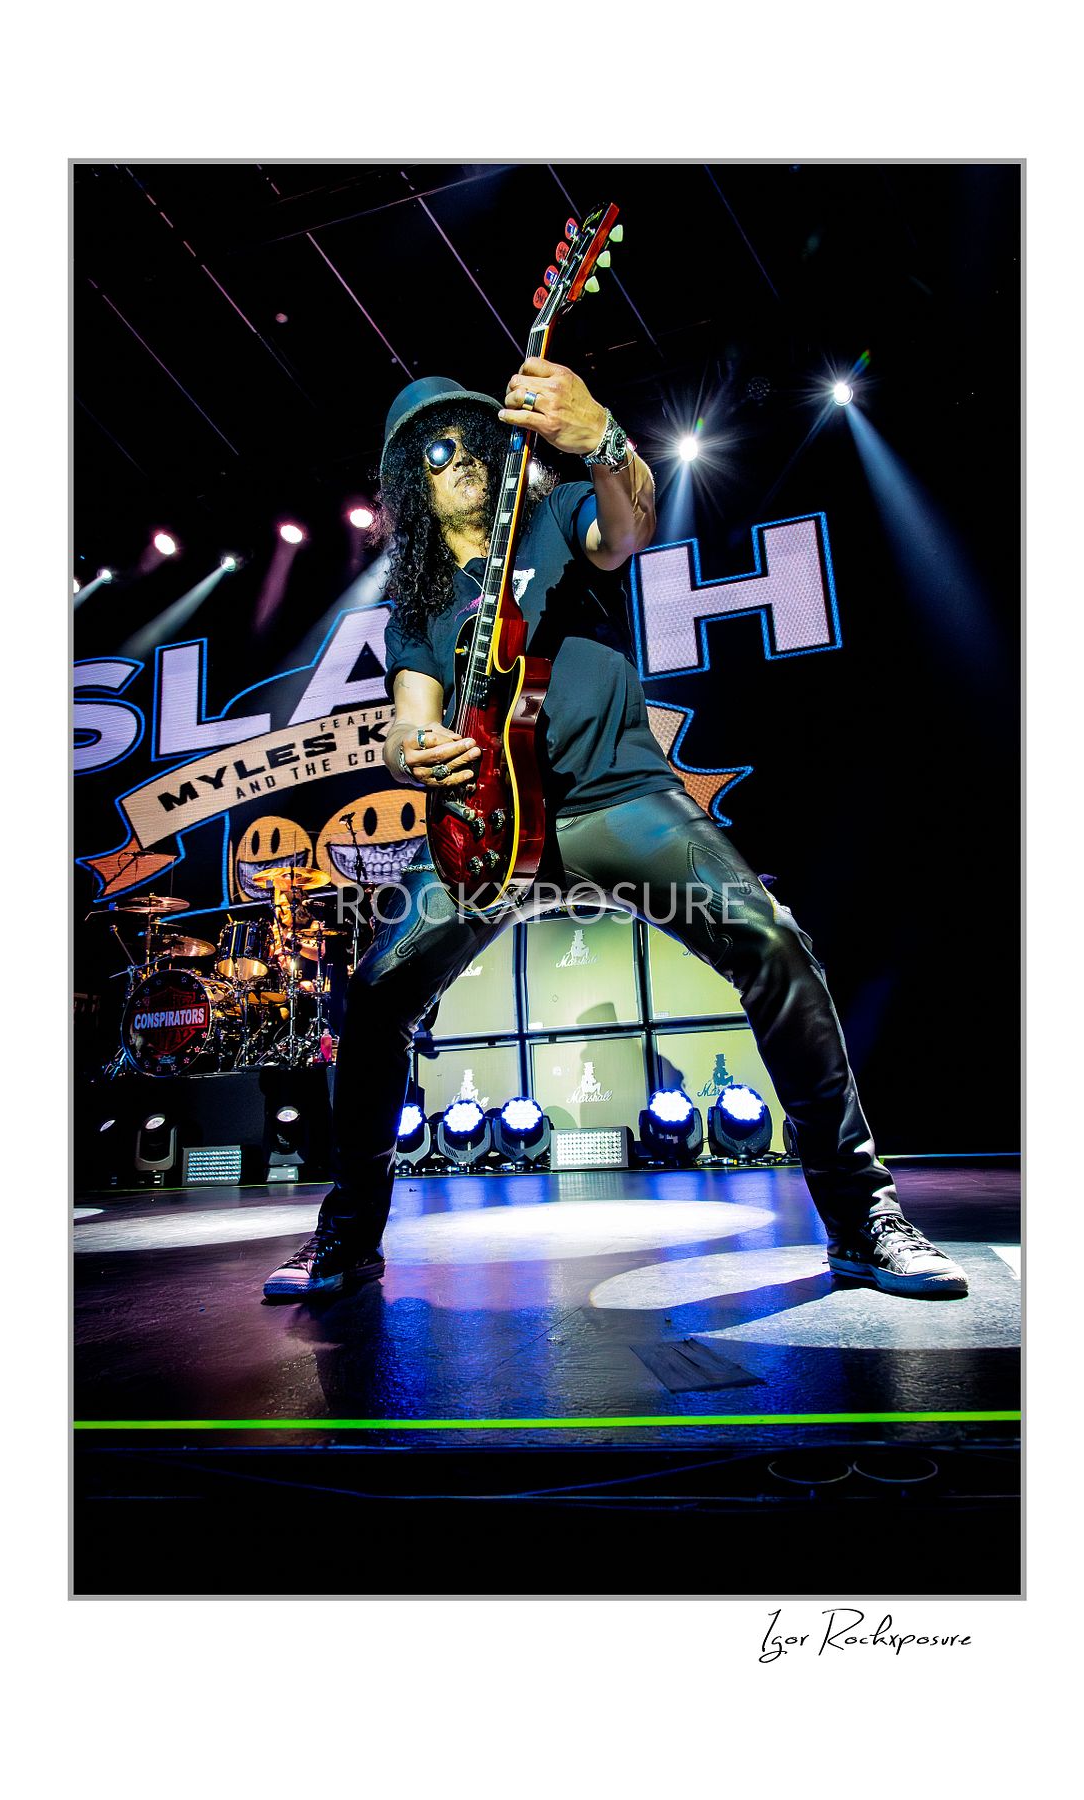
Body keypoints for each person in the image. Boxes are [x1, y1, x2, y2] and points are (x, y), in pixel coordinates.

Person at [263, 364, 968, 1301]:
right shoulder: (421, 610)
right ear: (410, 483)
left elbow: (627, 526)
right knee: (378, 989)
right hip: (491, 831)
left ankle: (858, 1217)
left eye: (471, 435)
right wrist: (415, 750)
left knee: (771, 941)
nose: (461, 458)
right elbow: (407, 716)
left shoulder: (551, 523)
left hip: (616, 797)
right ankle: (348, 1235)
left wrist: (603, 439)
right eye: (436, 450)